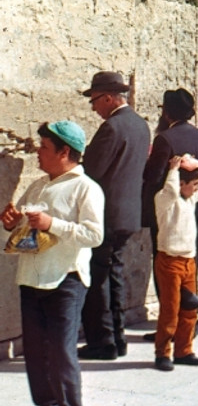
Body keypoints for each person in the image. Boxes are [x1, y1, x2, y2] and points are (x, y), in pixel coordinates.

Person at [1, 121, 104, 406]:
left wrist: (53, 224)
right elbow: (23, 223)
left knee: (61, 354)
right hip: (31, 280)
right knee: (35, 356)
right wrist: (12, 224)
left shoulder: (87, 188)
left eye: (44, 147)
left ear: (64, 152)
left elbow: (94, 235)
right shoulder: (37, 186)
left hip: (65, 281)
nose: (37, 152)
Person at [78, 70, 150, 360]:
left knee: (99, 279)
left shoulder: (112, 128)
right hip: (128, 214)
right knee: (114, 275)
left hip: (107, 216)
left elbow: (92, 171)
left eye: (94, 101)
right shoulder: (140, 125)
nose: (93, 107)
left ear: (108, 97)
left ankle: (103, 342)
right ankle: (118, 338)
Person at [153, 154, 198, 371]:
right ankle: (163, 353)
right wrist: (174, 170)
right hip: (170, 260)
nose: (196, 189)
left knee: (189, 309)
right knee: (170, 310)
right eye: (191, 185)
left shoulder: (191, 199)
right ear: (180, 183)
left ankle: (184, 350)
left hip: (188, 260)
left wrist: (193, 165)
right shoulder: (166, 200)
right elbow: (170, 190)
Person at [142, 89, 198, 240]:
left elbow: (154, 178)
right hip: (196, 208)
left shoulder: (164, 139)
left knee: (166, 259)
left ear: (167, 114)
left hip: (171, 213)